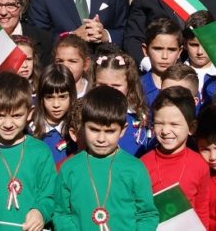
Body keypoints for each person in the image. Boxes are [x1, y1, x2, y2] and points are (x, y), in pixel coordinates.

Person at [52, 85, 159, 230]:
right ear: (83, 127)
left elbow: (147, 215)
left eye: (109, 131)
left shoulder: (135, 168)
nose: (101, 139)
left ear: (123, 130)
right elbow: (61, 214)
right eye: (94, 130)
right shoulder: (69, 168)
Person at [0, 71, 58, 228]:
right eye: (0, 116)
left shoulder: (40, 152)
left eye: (16, 116)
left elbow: (49, 194)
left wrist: (40, 212)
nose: (8, 124)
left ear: (29, 113)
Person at [141, 87, 212, 224]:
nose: (165, 131)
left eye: (174, 124)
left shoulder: (200, 165)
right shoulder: (143, 164)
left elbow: (202, 211)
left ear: (192, 127)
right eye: (159, 123)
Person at [92, 52, 151, 157]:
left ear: (129, 86)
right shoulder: (88, 113)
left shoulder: (138, 115)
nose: (109, 90)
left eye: (116, 85)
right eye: (102, 84)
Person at [30, 64, 77, 164]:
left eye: (62, 97)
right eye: (49, 97)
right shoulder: (30, 129)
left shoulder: (77, 129)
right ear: (41, 98)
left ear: (72, 96)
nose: (56, 105)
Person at [139, 17, 184, 106]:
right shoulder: (136, 87)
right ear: (145, 50)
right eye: (158, 49)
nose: (164, 56)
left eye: (171, 50)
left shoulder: (188, 85)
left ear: (180, 52)